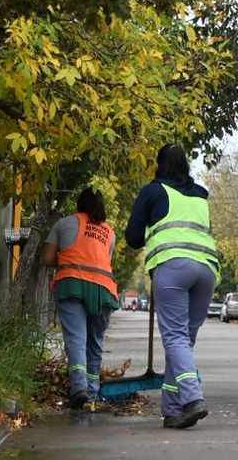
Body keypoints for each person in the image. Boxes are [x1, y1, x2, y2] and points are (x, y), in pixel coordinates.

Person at [124, 144, 217, 429]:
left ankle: (192, 398)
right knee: (183, 342)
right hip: (207, 270)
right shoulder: (201, 195)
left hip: (173, 267)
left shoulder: (154, 190)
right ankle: (174, 410)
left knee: (175, 338)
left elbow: (133, 236)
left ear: (158, 165)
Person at [43, 188, 119, 407]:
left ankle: (79, 389)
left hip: (72, 285)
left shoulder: (65, 223)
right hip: (104, 290)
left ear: (79, 204)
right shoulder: (110, 233)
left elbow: (47, 258)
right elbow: (103, 261)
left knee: (76, 338)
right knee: (94, 343)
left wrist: (67, 259)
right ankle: (93, 394)